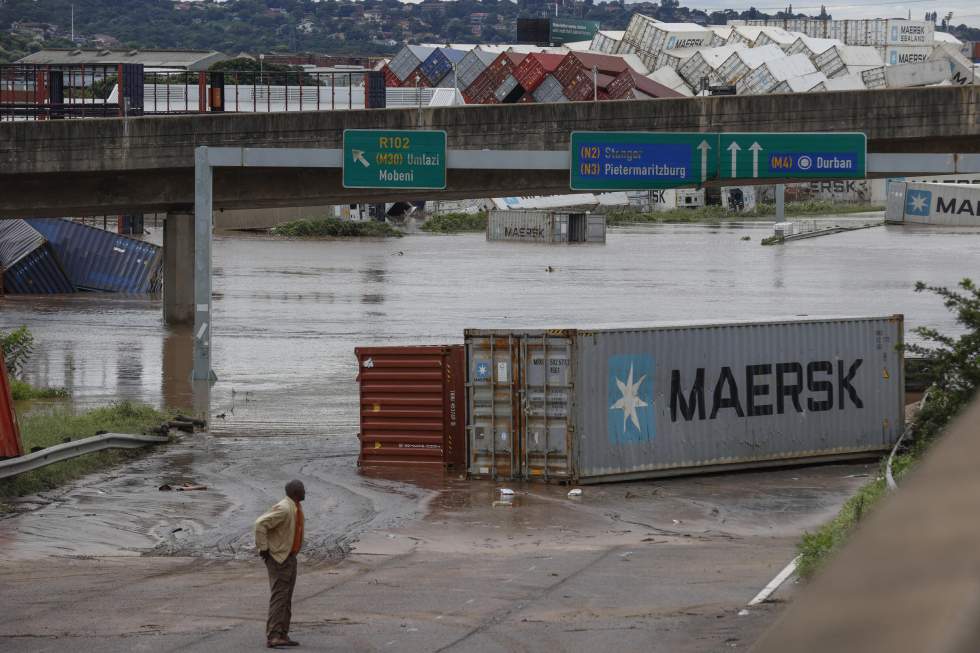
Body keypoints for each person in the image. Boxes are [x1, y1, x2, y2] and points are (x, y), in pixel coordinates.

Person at [255, 479, 306, 648]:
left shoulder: (295, 506)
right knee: (279, 597)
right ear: (296, 493)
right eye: (303, 490)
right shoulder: (284, 508)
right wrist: (263, 548)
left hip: (289, 557)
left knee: (286, 598)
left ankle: (282, 633)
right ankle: (274, 636)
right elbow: (260, 524)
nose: (305, 492)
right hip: (279, 559)